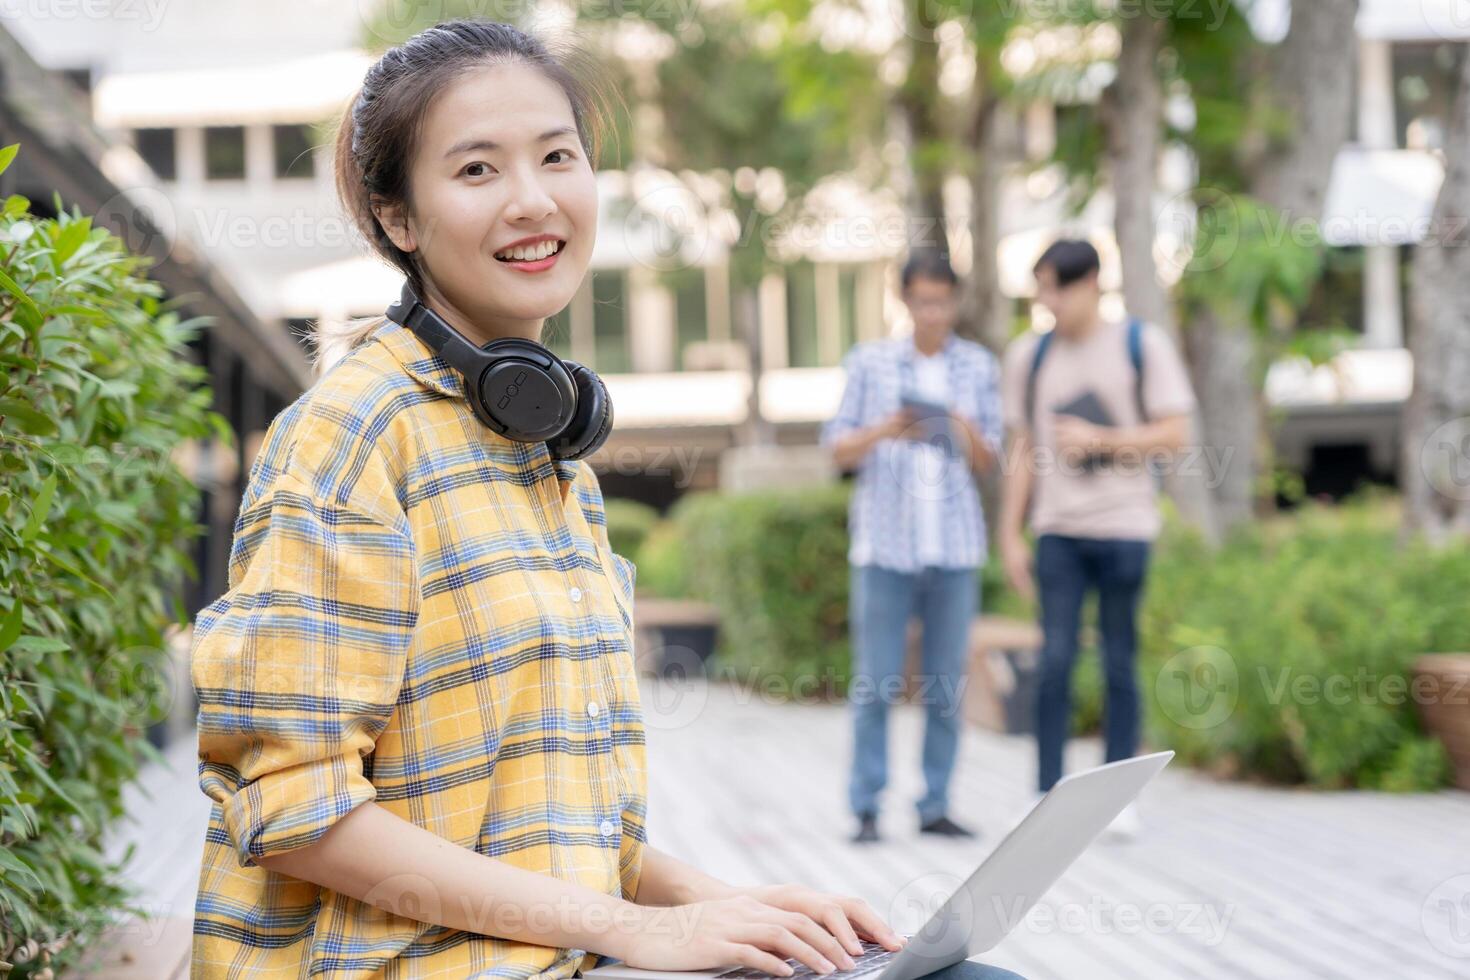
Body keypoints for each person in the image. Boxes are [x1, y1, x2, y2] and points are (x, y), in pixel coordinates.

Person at [187, 21, 1033, 980]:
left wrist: (741, 906)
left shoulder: (550, 458)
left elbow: (562, 831)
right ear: (398, 218)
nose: (534, 200)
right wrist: (633, 931)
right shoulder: (348, 442)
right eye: (477, 171)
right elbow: (297, 815)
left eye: (558, 156)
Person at [997, 239, 1197, 836]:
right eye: (1041, 288)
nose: (1046, 301)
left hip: (1125, 526)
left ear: (1090, 285)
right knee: (1054, 660)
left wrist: (1101, 441)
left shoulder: (1141, 344)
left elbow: (1175, 434)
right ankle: (1045, 794)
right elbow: (1023, 450)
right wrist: (1009, 532)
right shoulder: (1027, 357)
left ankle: (1116, 799)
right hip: (1057, 530)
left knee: (1118, 660)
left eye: (1055, 287)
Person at [821, 251, 1004, 846]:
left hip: (954, 548)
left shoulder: (977, 366)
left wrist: (956, 422)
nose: (932, 312)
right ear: (904, 300)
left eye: (942, 301)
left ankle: (935, 803)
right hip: (884, 547)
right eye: (922, 300)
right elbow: (836, 449)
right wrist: (886, 428)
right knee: (874, 680)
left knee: (946, 684)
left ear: (955, 302)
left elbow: (990, 459)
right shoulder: (871, 363)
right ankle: (866, 804)